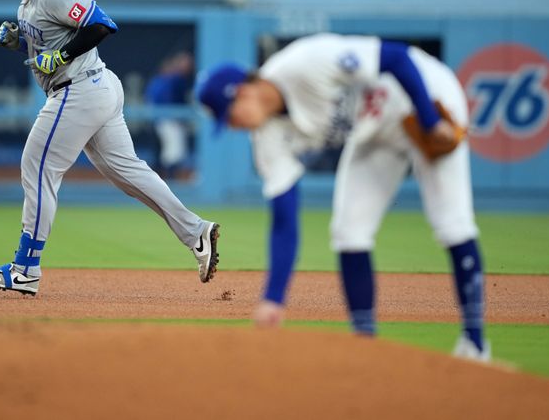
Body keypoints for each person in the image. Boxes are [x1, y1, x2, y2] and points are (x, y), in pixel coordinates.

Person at [197, 33, 490, 361]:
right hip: (373, 132)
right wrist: (274, 298)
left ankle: (475, 343)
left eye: (231, 116)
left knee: (452, 223)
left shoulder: (305, 62)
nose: (234, 127)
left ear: (242, 91)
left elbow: (397, 58)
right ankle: (364, 344)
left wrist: (431, 119)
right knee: (349, 231)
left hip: (423, 94)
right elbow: (285, 220)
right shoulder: (266, 140)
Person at [0, 0, 220, 295]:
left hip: (79, 91)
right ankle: (196, 230)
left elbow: (102, 23)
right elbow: (47, 49)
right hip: (93, 87)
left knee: (38, 167)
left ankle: (25, 268)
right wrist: (20, 43)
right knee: (128, 173)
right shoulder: (28, 2)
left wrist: (60, 56)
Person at [144, 52, 195, 179]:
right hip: (168, 119)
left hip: (161, 120)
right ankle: (167, 180)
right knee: (173, 151)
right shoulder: (171, 80)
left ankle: (163, 179)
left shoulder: (164, 80)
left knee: (167, 151)